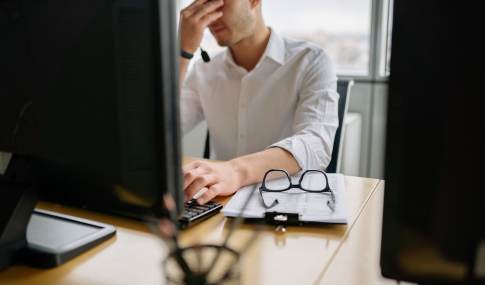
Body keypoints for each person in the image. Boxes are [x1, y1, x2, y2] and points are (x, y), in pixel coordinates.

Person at [179, 0, 339, 205]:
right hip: (218, 205)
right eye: (203, 2)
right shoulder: (203, 70)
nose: (209, 15)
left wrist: (235, 171)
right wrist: (182, 52)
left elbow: (317, 143)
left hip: (287, 204)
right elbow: (153, 134)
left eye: (219, 1)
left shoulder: (310, 60)